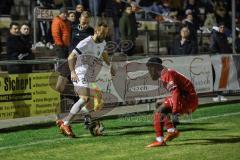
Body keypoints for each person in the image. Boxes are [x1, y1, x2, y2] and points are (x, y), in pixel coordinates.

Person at [56, 23, 114, 137]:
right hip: (79, 72)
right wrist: (72, 72)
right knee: (85, 98)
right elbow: (71, 57)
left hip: (88, 74)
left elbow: (103, 53)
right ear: (96, 31)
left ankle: (67, 121)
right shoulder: (86, 42)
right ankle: (66, 123)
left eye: (105, 33)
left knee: (90, 103)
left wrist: (110, 66)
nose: (104, 35)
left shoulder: (103, 43)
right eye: (102, 33)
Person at [146, 57, 198, 147]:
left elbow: (176, 92)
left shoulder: (167, 74)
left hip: (188, 100)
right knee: (158, 104)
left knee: (158, 112)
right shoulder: (165, 73)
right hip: (188, 99)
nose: (149, 71)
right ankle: (171, 131)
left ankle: (160, 140)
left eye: (150, 68)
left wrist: (175, 112)